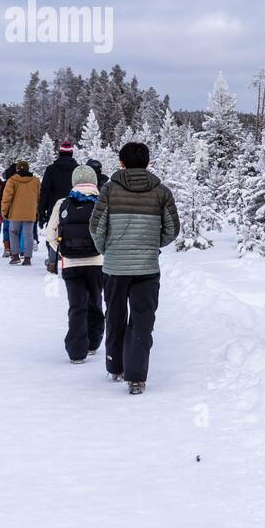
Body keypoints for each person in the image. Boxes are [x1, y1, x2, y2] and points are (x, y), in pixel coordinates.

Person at [89, 141, 179, 395]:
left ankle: (115, 366)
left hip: (116, 268)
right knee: (142, 321)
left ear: (121, 162)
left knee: (115, 316)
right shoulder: (161, 192)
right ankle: (137, 377)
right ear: (148, 163)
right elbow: (172, 229)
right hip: (147, 268)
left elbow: (96, 227)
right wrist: (152, 245)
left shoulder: (109, 190)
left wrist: (108, 249)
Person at [46, 165, 105, 363]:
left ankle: (76, 351)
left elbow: (50, 234)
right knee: (95, 302)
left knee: (76, 305)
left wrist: (62, 252)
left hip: (71, 262)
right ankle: (93, 343)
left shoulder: (62, 204)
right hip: (98, 261)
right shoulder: (102, 202)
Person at [39, 141, 79, 273]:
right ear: (71, 153)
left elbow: (44, 191)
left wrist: (41, 212)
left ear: (60, 153)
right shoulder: (77, 169)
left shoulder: (51, 169)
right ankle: (70, 263)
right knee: (72, 233)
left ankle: (52, 262)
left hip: (53, 207)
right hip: (73, 207)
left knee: (53, 234)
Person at [0, 160, 40, 266]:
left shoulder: (12, 180)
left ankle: (15, 256)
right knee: (28, 234)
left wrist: (4, 211)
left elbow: (6, 198)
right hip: (30, 212)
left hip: (15, 212)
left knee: (13, 233)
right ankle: (27, 258)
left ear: (17, 169)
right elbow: (39, 197)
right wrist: (38, 211)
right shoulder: (35, 181)